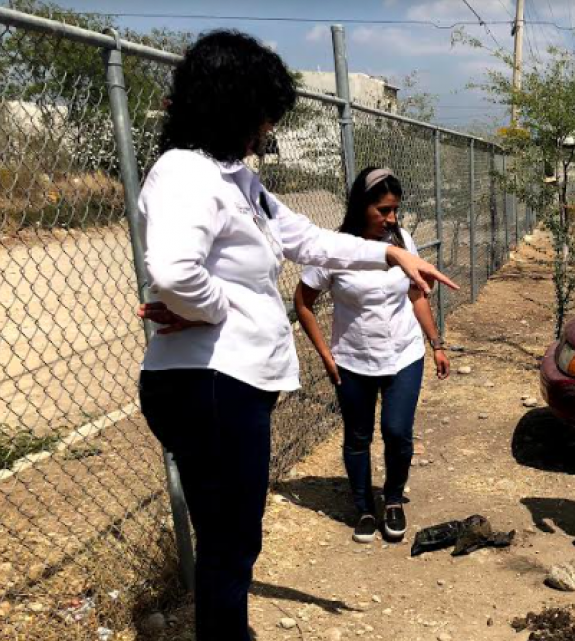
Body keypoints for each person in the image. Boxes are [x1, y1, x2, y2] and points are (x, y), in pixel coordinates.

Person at [135, 31, 455, 641]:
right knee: (231, 542)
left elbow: (307, 239)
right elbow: (175, 273)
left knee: (230, 539)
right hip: (208, 385)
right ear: (230, 105)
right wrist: (209, 310)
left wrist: (391, 255)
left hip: (227, 384)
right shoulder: (184, 172)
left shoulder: (236, 179)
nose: (265, 129)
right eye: (261, 114)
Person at [294, 167, 449, 544]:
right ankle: (364, 507)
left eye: (395, 209)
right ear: (361, 207)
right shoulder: (333, 249)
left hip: (404, 353)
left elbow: (417, 295)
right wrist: (327, 356)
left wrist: (436, 343)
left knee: (397, 432)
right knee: (358, 436)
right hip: (352, 359)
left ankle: (393, 499)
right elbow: (303, 301)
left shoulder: (402, 241)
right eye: (383, 210)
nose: (391, 218)